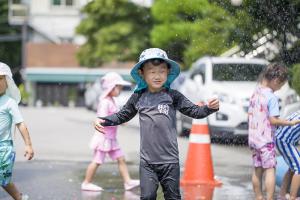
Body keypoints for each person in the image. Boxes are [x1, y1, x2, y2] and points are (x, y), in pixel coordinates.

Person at [94, 48, 219, 199]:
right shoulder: (138, 97)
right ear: (142, 74)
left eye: (161, 71)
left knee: (172, 197)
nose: (157, 76)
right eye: (152, 72)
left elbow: (195, 112)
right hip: (147, 163)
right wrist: (103, 120)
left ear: (168, 72)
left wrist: (210, 108)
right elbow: (122, 115)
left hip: (170, 162)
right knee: (147, 197)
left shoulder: (173, 96)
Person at [248, 63, 300, 200]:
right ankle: (270, 198)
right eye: (280, 86)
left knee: (257, 170)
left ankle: (259, 197)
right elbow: (273, 120)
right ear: (276, 81)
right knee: (270, 170)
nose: (279, 89)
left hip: (254, 139)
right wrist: (290, 122)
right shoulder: (271, 97)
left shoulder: (256, 93)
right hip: (266, 141)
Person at [81, 72, 140, 192]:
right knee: (97, 161)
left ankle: (128, 182)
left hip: (112, 138)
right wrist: (111, 121)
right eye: (119, 87)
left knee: (121, 158)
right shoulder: (105, 101)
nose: (121, 89)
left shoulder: (112, 100)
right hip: (103, 138)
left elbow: (116, 115)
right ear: (111, 88)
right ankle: (86, 183)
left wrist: (121, 121)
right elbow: (102, 118)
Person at [0, 62, 34, 200]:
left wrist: (28, 145)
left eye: (0, 78)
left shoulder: (9, 102)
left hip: (4, 148)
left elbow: (20, 124)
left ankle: (19, 198)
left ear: (7, 81)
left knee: (4, 179)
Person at [275, 111, 300, 200]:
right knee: (299, 167)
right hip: (285, 141)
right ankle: (293, 197)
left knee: (293, 167)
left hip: (282, 138)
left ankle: (282, 194)